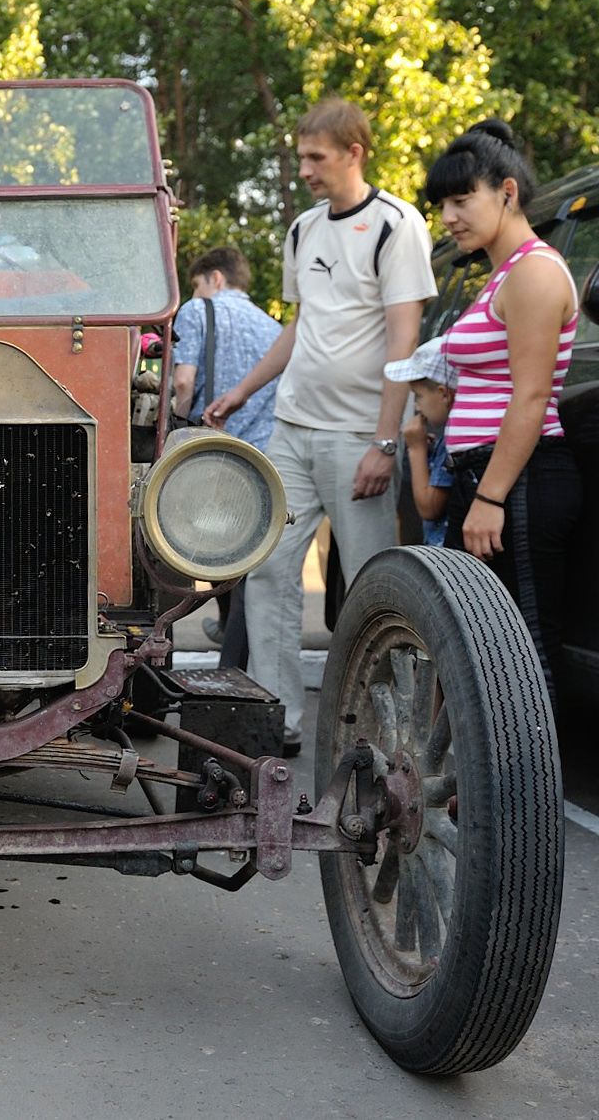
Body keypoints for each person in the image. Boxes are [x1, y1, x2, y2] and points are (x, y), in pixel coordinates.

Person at [205, 99, 435, 756]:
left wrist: (384, 442)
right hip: (294, 428)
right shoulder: (304, 230)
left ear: (354, 152)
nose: (304, 168)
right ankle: (275, 721)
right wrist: (242, 390)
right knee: (269, 567)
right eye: (301, 156)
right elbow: (301, 326)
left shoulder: (397, 226)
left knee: (367, 584)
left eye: (316, 157)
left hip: (358, 435)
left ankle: (379, 728)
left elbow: (405, 338)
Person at [427, 119, 581, 694]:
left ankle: (533, 784)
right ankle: (481, 784)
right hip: (486, 479)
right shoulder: (500, 276)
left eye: (462, 200)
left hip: (518, 482)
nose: (448, 217)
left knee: (527, 652)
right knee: (477, 648)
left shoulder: (535, 273)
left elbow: (533, 394)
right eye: (442, 204)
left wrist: (490, 497)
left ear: (508, 192)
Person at [171, 246, 284, 670]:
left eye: (197, 285)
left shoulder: (198, 311)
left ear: (214, 279)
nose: (195, 293)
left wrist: (174, 428)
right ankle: (237, 657)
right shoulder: (274, 328)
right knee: (250, 558)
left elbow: (184, 382)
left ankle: (225, 657)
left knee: (194, 549)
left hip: (213, 453)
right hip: (264, 458)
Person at [385, 335, 458, 547]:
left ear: (443, 394)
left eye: (418, 396)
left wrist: (416, 450)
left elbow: (429, 508)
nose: (417, 407)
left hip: (446, 559)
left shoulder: (451, 441)